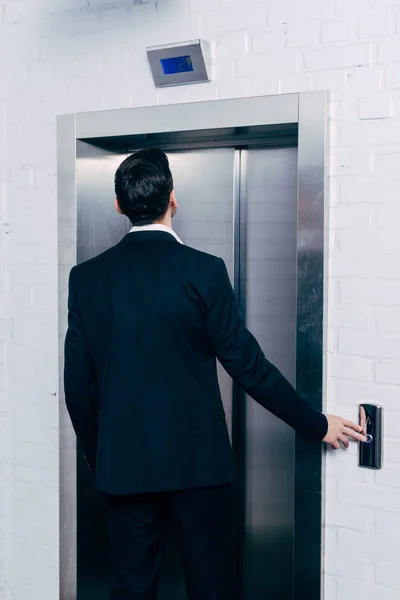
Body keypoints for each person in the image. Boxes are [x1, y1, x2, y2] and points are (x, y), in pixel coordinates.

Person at [64, 148, 366, 600]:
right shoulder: (203, 272)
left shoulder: (86, 278)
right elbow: (249, 366)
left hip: (123, 466)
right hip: (199, 468)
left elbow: (78, 390)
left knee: (131, 590)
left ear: (118, 206)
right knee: (212, 588)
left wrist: (101, 454)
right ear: (173, 199)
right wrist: (316, 424)